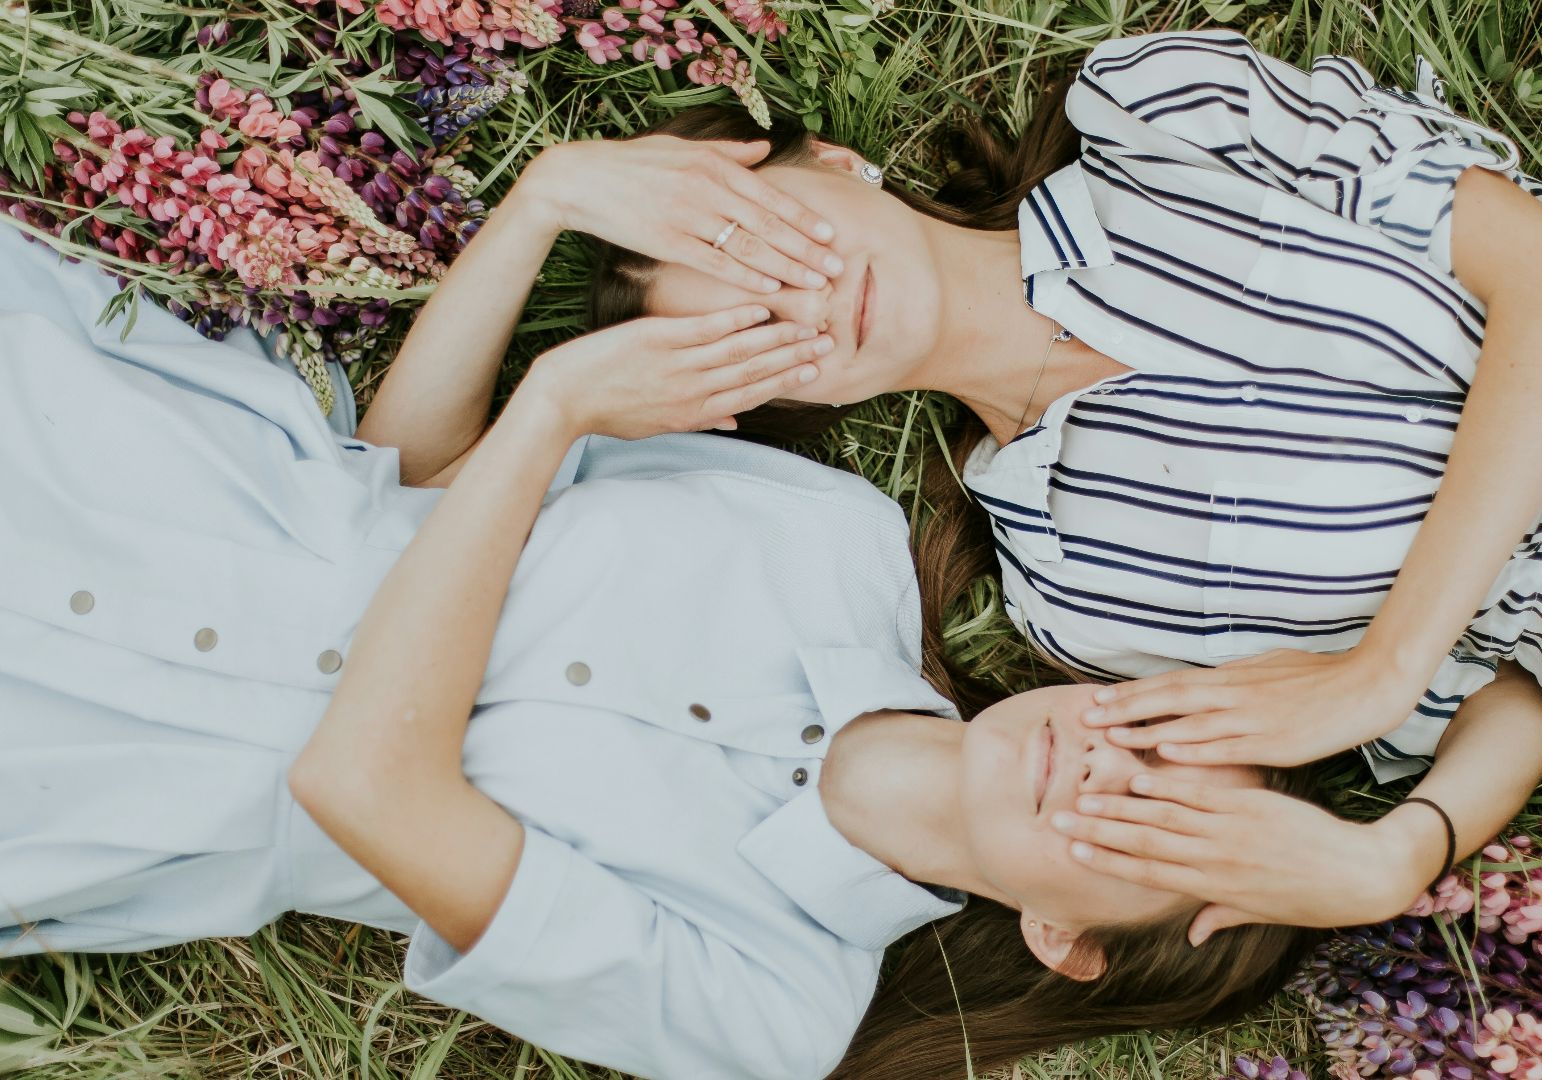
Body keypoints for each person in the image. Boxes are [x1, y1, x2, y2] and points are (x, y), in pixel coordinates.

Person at [0, 123, 1376, 1080]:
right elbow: (408, 492)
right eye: (1157, 746)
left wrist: (551, 413)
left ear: (1062, 941)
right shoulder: (831, 537)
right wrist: (543, 202)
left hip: (93, 771)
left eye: (1134, 825)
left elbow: (365, 787)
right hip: (132, 473)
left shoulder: (770, 1011)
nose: (1101, 766)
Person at [594, 27, 1542, 942]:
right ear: (767, 402)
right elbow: (1518, 687)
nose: (805, 298)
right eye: (754, 331)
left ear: (832, 164)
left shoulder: (1161, 118)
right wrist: (1399, 851)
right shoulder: (1078, 599)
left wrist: (1383, 662)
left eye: (769, 242)